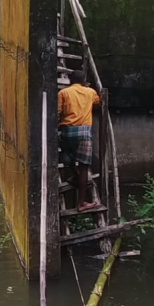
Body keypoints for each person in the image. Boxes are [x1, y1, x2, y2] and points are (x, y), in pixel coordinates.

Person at [58, 70, 101, 211]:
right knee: (84, 167)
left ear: (71, 80)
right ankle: (81, 203)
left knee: (68, 158)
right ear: (84, 81)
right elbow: (98, 103)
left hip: (68, 131)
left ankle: (74, 176)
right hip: (84, 133)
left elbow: (57, 112)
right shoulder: (90, 92)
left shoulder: (63, 93)